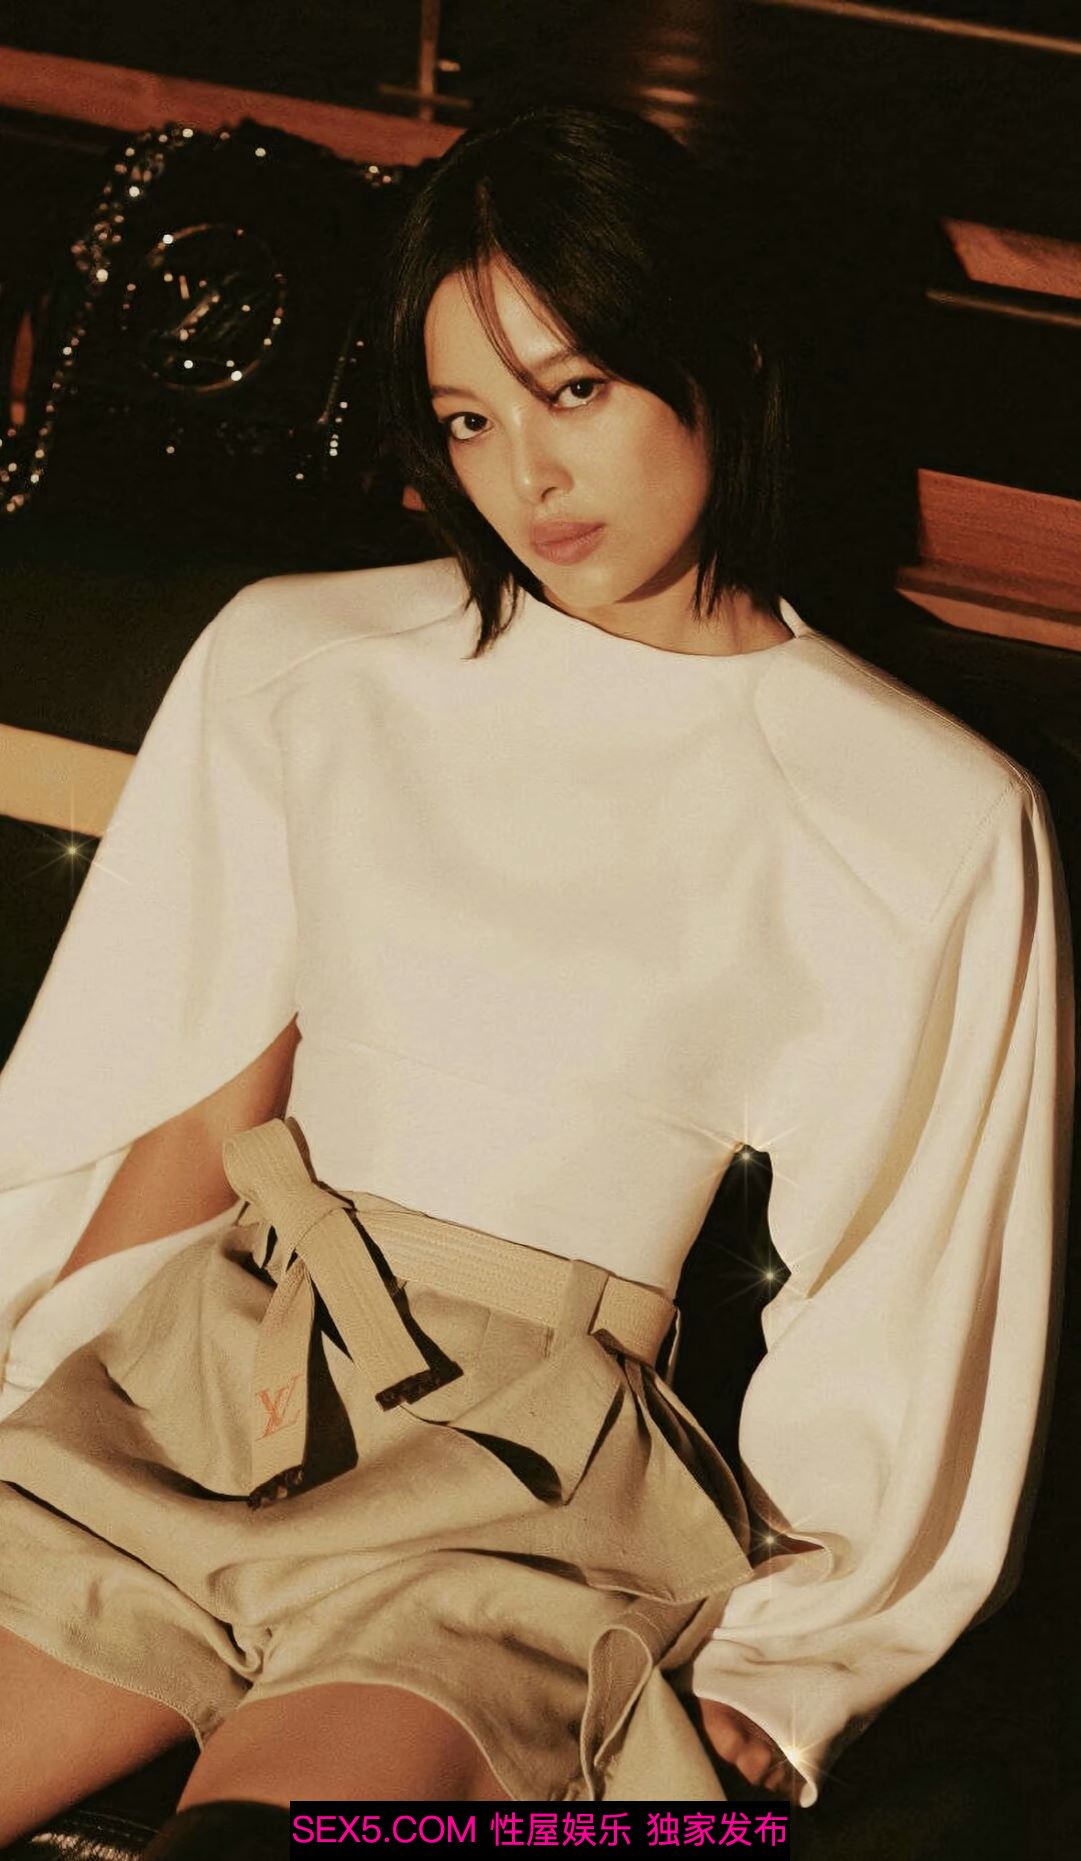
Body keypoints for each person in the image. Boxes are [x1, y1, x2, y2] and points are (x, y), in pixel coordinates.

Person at [0, 103, 1073, 1856]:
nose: (528, 477)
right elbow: (177, 1095)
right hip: (193, 1376)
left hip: (520, 1487)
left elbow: (912, 1279)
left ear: (717, 359)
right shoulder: (304, 661)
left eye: (574, 390)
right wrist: (25, 1389)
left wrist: (794, 1669)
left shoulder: (922, 812)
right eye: (467, 419)